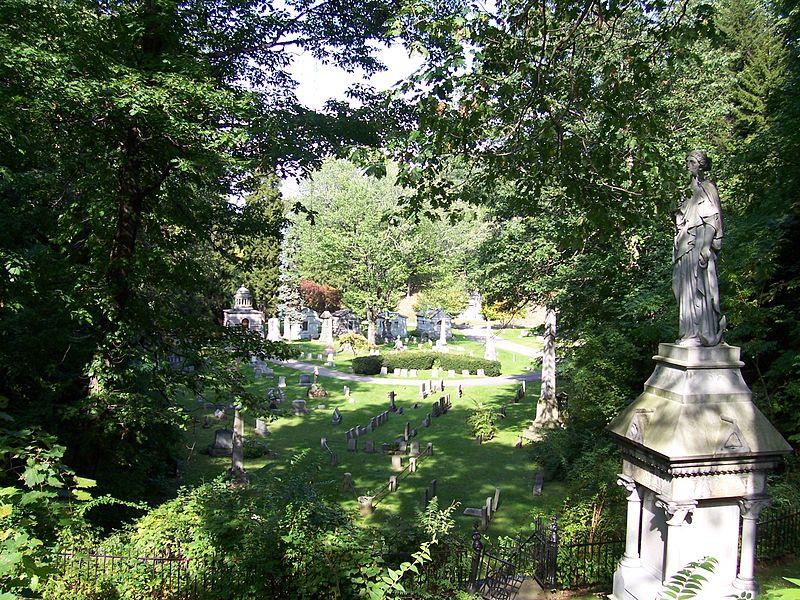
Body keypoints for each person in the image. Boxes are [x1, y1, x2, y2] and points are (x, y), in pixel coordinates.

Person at [672, 150, 727, 346]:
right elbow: (680, 220)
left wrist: (706, 246)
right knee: (681, 286)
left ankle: (702, 333)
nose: (688, 165)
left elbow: (713, 218)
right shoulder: (686, 192)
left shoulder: (707, 188)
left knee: (699, 287)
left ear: (701, 165)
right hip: (685, 247)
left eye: (692, 162)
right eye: (687, 162)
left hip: (699, 245)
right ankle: (688, 332)